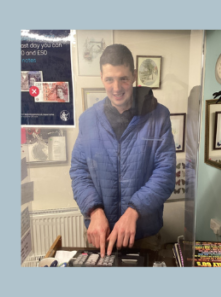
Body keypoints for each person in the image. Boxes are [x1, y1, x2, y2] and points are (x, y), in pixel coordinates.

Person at [70, 44, 175, 257]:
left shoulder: (159, 116)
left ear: (134, 75)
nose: (116, 87)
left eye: (123, 78)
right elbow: (79, 172)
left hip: (143, 234)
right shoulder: (88, 120)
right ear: (101, 77)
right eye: (109, 79)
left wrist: (134, 211)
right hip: (101, 233)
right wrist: (94, 210)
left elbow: (165, 174)